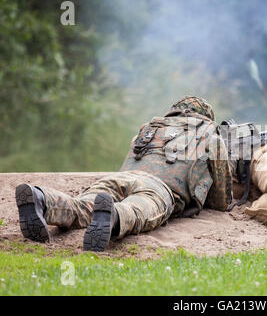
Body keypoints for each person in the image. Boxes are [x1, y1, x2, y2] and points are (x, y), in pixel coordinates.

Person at [15, 96, 233, 252]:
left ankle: (42, 199)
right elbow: (220, 200)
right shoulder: (211, 136)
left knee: (83, 205)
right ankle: (113, 215)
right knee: (138, 209)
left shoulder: (150, 127)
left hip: (119, 178)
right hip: (159, 188)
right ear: (206, 118)